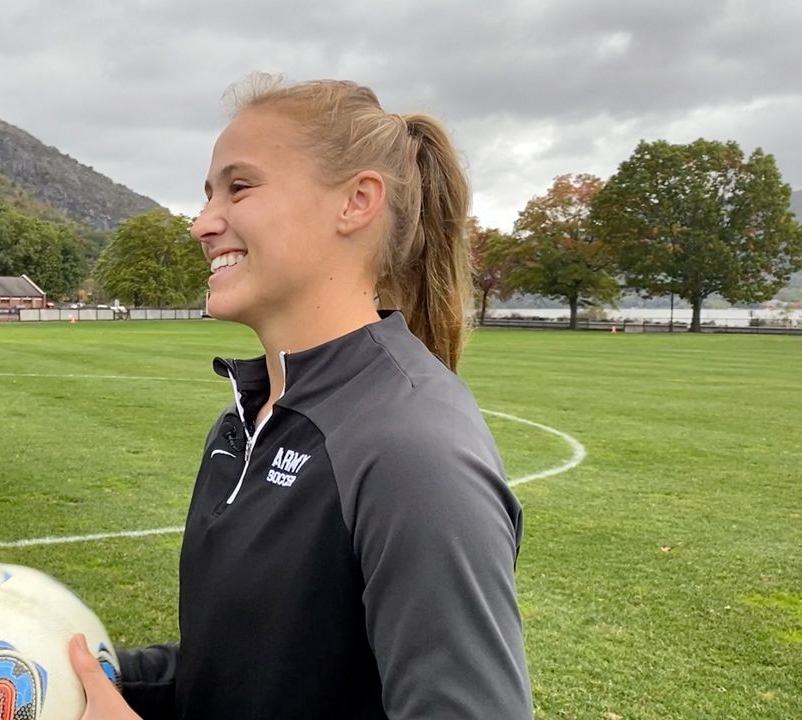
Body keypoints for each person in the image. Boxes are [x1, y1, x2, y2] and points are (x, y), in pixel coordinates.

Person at [69, 76, 532, 719]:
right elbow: (250, 674)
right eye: (208, 194)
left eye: (241, 186)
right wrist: (76, 671)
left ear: (356, 202)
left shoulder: (413, 450)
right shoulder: (246, 421)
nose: (203, 224)